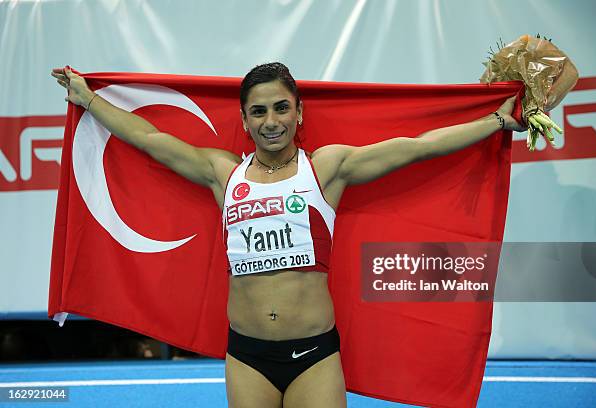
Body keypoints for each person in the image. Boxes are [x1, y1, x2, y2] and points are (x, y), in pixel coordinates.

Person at [51, 62, 526, 408]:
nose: (271, 121)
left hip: (314, 355)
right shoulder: (223, 174)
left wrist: (495, 122)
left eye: (281, 108)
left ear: (299, 113)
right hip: (247, 355)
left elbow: (418, 148)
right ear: (244, 121)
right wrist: (88, 99)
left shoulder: (327, 168)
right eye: (258, 112)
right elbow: (150, 140)